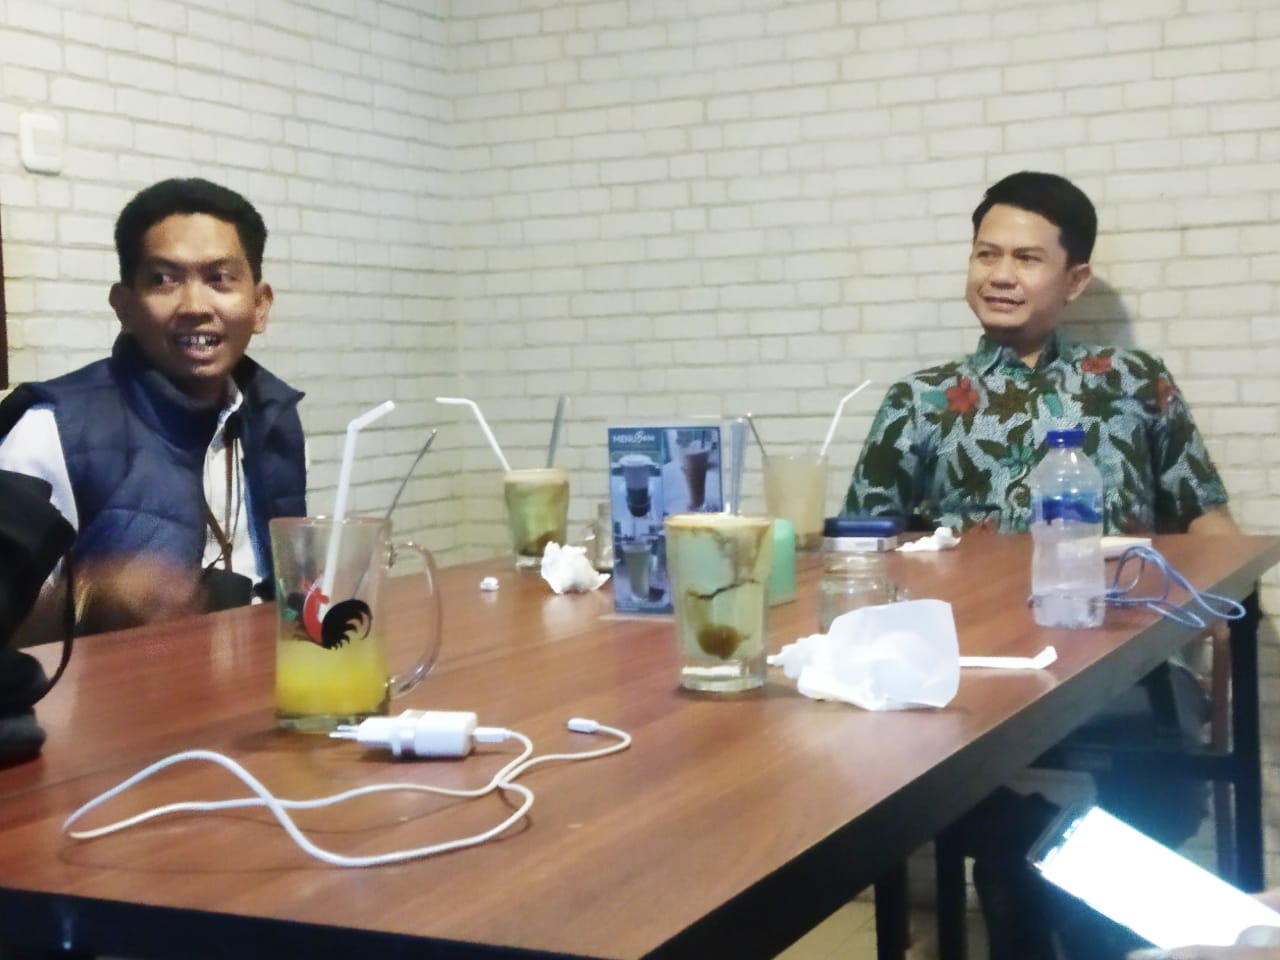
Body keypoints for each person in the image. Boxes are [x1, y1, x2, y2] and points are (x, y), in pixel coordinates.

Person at [845, 171, 1240, 960]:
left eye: (1026, 258)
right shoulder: (920, 401)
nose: (1000, 274)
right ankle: (1027, 886)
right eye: (985, 254)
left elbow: (1208, 523)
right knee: (977, 822)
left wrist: (1221, 629)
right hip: (980, 674)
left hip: (1124, 664)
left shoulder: (1134, 382)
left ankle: (1077, 911)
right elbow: (861, 549)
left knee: (1151, 813)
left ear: (1075, 278)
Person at [0, 178, 306, 634]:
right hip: (117, 681)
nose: (195, 306)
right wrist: (89, 596)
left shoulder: (273, 417)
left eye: (219, 279)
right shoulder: (48, 430)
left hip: (258, 670)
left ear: (260, 306)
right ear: (124, 306)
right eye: (164, 280)